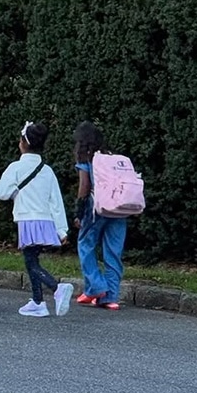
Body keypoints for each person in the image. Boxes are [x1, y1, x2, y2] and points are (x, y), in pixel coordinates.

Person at [0, 121, 73, 318]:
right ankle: (38, 302)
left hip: (27, 220)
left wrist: (10, 189)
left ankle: (56, 288)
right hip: (46, 221)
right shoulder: (47, 170)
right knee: (32, 259)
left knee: (31, 262)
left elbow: (0, 193)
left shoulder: (16, 167)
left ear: (23, 143)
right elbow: (56, 201)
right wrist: (62, 229)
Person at [73, 120, 126, 310]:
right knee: (113, 251)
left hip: (96, 208)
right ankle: (111, 297)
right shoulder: (111, 157)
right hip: (119, 209)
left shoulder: (86, 159)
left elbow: (84, 186)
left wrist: (79, 212)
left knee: (85, 245)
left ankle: (95, 287)